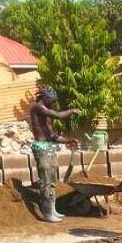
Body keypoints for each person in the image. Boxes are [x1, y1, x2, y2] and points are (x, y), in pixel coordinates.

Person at [30, 87, 80, 223]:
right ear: (44, 98)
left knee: (52, 181)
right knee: (46, 181)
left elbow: (52, 136)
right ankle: (47, 213)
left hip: (49, 147)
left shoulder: (45, 116)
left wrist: (68, 140)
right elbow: (58, 115)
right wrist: (72, 110)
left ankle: (52, 210)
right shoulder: (37, 108)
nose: (52, 104)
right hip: (41, 148)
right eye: (51, 101)